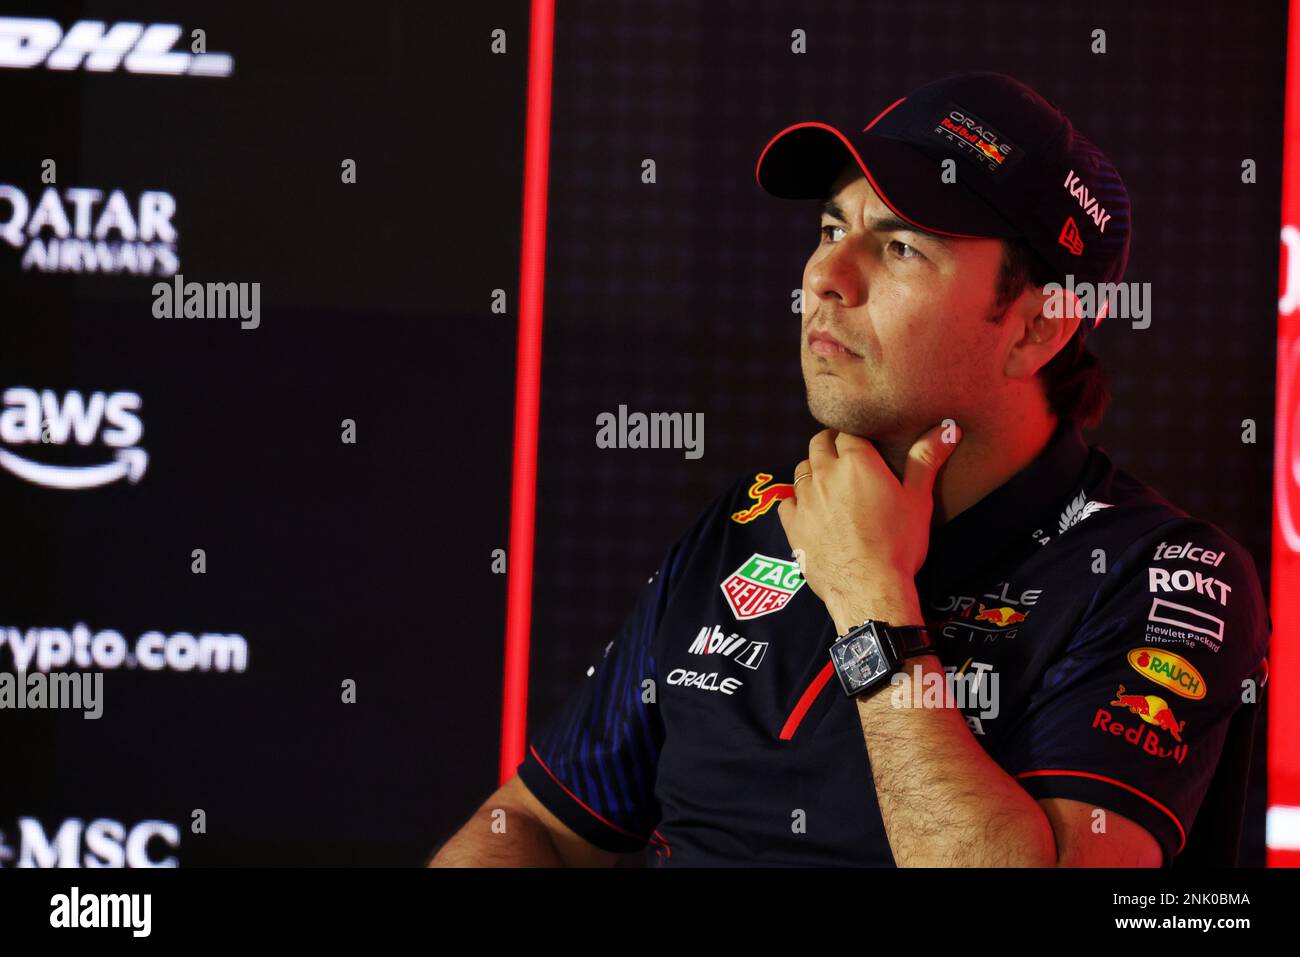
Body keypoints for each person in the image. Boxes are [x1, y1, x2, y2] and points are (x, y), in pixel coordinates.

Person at [430, 72, 1271, 867]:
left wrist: (870, 598)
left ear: (1036, 328)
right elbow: (538, 822)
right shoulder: (753, 517)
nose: (825, 279)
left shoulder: (1163, 575)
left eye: (901, 246)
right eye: (833, 229)